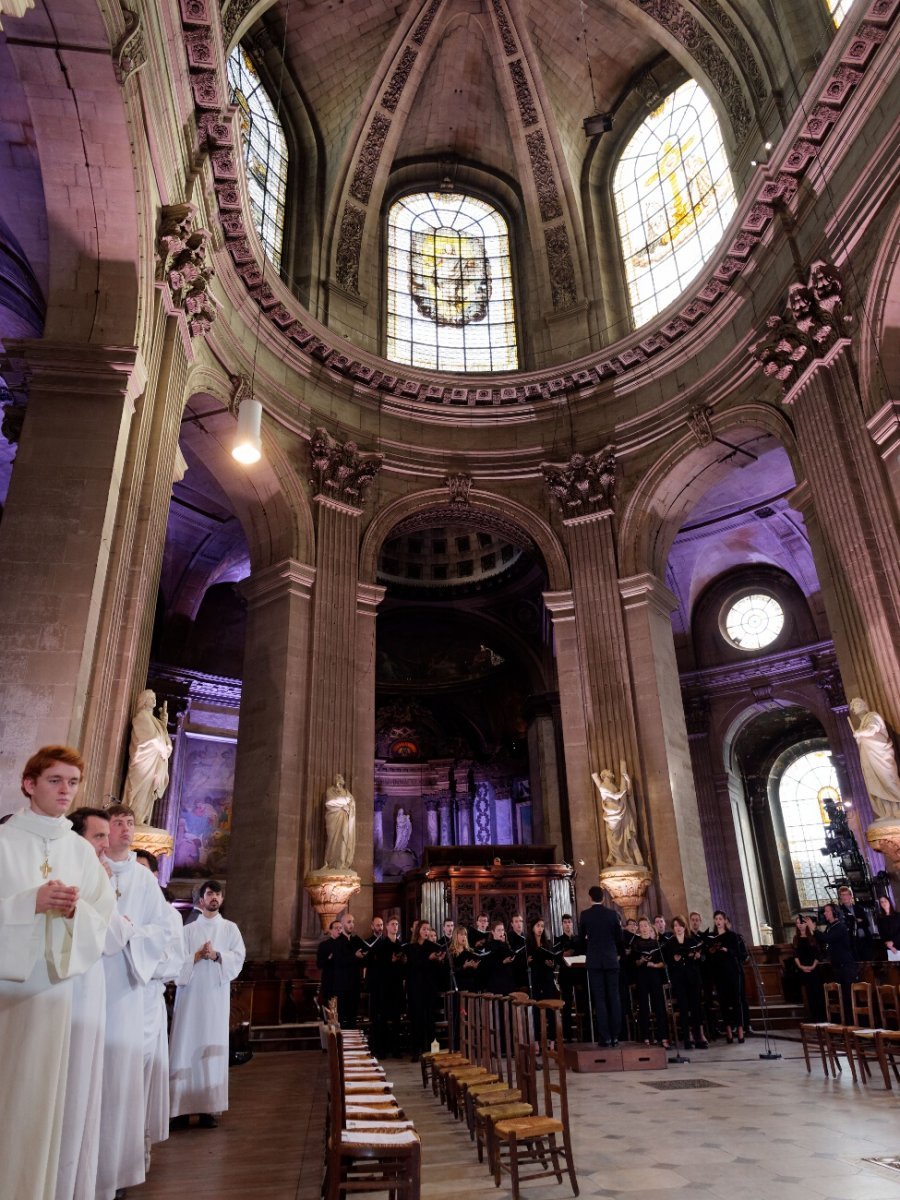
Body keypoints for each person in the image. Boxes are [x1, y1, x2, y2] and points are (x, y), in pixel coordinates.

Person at [0, 747, 114, 1200]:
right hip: (7, 987)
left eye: (72, 782)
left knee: (38, 1102)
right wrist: (29, 902)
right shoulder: (4, 841)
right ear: (29, 784)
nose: (65, 790)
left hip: (52, 989)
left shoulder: (78, 851)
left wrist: (73, 913)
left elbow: (102, 915)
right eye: (54, 781)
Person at [97, 803, 175, 1200]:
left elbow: (161, 932)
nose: (125, 830)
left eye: (130, 823)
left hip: (128, 985)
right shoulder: (91, 867)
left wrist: (126, 933)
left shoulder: (145, 882)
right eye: (118, 824)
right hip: (91, 982)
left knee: (122, 1077)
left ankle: (118, 1163)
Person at [169, 880, 246, 1128]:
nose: (214, 897)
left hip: (215, 996)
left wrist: (217, 955)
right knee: (185, 1043)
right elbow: (175, 961)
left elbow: (238, 957)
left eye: (218, 894)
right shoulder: (188, 930)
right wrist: (196, 956)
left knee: (211, 1046)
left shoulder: (230, 929)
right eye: (209, 893)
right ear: (201, 900)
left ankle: (208, 1109)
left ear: (222, 900)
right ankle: (180, 1108)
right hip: (190, 996)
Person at [135, 845, 185, 1161]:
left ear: (154, 876)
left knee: (137, 1082)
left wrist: (135, 962)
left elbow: (172, 963)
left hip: (146, 1002)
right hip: (109, 1002)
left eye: (143, 871)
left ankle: (135, 1149)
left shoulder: (168, 915)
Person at [578, 885, 623, 1047]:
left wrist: (588, 949)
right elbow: (619, 937)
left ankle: (605, 1036)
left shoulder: (585, 915)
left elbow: (580, 939)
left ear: (590, 898)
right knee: (614, 997)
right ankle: (616, 1035)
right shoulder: (612, 915)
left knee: (600, 999)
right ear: (603, 898)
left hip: (595, 961)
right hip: (611, 960)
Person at [122, 689, 173, 826]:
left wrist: (163, 724)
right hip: (144, 762)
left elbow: (160, 736)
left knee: (148, 793)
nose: (154, 701)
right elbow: (151, 738)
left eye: (155, 698)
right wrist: (163, 747)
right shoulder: (142, 716)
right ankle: (134, 819)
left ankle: (139, 818)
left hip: (153, 763)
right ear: (144, 701)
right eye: (151, 698)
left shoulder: (152, 719)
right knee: (139, 791)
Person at [848, 697, 900, 819]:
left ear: (865, 705)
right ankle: (888, 813)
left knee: (888, 781)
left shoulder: (872, 716)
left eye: (859, 703)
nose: (857, 706)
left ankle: (898, 809)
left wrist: (860, 733)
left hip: (881, 756)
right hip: (870, 758)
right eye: (854, 705)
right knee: (877, 785)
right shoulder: (861, 724)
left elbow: (873, 729)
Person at [663, 915, 707, 1048]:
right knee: (683, 1008)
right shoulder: (670, 944)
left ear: (684, 927)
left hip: (693, 978)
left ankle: (698, 1038)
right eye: (675, 926)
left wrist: (698, 956)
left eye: (680, 925)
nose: (678, 928)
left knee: (695, 1007)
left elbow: (701, 959)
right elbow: (666, 961)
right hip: (679, 979)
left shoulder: (691, 941)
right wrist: (674, 960)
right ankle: (687, 1039)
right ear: (673, 928)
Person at [591, 763, 644, 866]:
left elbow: (627, 793)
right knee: (615, 837)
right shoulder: (602, 786)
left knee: (624, 834)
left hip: (621, 811)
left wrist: (628, 780)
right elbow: (615, 796)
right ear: (604, 774)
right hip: (612, 814)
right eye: (609, 771)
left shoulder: (614, 785)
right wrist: (622, 793)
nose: (612, 772)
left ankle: (626, 857)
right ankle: (618, 859)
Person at [368, 917, 407, 1057]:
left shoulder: (400, 944)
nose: (395, 927)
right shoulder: (381, 944)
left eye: (397, 924)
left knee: (397, 1019)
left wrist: (402, 961)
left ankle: (396, 1050)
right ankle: (382, 1050)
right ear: (387, 927)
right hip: (384, 986)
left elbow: (404, 967)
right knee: (383, 1019)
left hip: (397, 985)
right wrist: (389, 961)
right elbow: (375, 966)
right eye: (392, 924)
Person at [405, 922, 444, 1059]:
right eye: (424, 929)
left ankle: (433, 1051)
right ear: (418, 931)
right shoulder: (410, 948)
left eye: (428, 929)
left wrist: (439, 960)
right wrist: (428, 959)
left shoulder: (434, 947)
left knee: (430, 1020)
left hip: (429, 987)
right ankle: (416, 1051)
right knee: (416, 1020)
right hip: (415, 987)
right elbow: (413, 966)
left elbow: (438, 971)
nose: (426, 931)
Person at [706, 910, 745, 1043]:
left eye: (720, 919)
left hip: (733, 972)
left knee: (736, 1001)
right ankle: (728, 1031)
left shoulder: (732, 936)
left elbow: (739, 954)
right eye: (716, 919)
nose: (718, 921)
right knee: (723, 1002)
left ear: (724, 920)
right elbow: (709, 958)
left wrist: (727, 950)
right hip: (719, 974)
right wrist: (711, 952)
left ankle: (740, 1030)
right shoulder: (712, 938)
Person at [817, 902, 859, 1019]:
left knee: (848, 998)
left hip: (846, 966)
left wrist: (813, 929)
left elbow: (828, 939)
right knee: (841, 998)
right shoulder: (830, 927)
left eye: (827, 911)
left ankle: (853, 1025)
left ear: (835, 912)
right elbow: (823, 940)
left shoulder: (840, 926)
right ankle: (845, 1025)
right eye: (824, 911)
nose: (825, 913)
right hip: (837, 966)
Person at [632, 916, 669, 1047]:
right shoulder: (636, 943)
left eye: (645, 925)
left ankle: (663, 1037)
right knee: (643, 1007)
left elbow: (663, 963)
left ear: (649, 927)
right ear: (639, 929)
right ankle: (646, 1037)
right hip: (642, 976)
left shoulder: (656, 943)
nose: (644, 928)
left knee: (659, 1005)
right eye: (641, 926)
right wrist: (641, 961)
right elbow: (634, 962)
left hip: (654, 976)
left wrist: (654, 965)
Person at [332, 911, 368, 1028]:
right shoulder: (337, 942)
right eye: (349, 922)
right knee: (341, 1018)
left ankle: (353, 1044)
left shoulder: (356, 940)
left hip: (355, 983)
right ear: (342, 925)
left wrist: (363, 956)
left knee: (353, 1017)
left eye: (353, 922)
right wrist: (354, 956)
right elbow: (338, 961)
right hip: (342, 985)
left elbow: (363, 959)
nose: (352, 924)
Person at [793, 914, 825, 1021]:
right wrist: (801, 966)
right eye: (797, 923)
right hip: (803, 969)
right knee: (809, 994)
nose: (800, 925)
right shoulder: (796, 938)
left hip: (814, 968)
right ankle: (812, 1016)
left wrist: (813, 966)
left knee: (817, 993)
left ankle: (821, 1017)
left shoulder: (812, 937)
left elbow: (818, 954)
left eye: (801, 923)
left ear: (806, 924)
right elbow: (795, 955)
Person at [556, 914, 583, 1042]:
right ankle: (567, 1035)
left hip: (578, 976)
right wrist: (563, 955)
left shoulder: (578, 939)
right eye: (565, 922)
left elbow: (583, 955)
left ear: (573, 924)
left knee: (581, 1005)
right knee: (566, 1007)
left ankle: (583, 1034)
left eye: (569, 922)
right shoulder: (558, 940)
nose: (567, 924)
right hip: (565, 975)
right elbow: (557, 957)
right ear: (562, 924)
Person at [322, 774, 356, 871]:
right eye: (337, 777)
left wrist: (348, 806)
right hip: (333, 819)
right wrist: (344, 803)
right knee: (332, 840)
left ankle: (341, 864)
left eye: (340, 777)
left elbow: (352, 803)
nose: (339, 779)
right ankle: (330, 863)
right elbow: (329, 803)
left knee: (343, 840)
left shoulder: (346, 792)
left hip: (344, 820)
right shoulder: (330, 791)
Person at [836, 885, 873, 962]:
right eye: (843, 895)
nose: (845, 897)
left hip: (865, 940)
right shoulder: (839, 911)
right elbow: (844, 926)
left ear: (850, 896)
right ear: (840, 897)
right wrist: (857, 921)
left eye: (847, 894)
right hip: (852, 942)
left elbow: (867, 923)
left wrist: (854, 922)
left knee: (868, 962)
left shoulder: (859, 908)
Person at [316, 920, 343, 1012]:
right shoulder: (324, 945)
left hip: (342, 980)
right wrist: (328, 958)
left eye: (340, 928)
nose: (339, 930)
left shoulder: (345, 944)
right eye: (336, 928)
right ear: (330, 930)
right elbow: (319, 964)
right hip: (329, 980)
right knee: (329, 1008)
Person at [507, 911, 529, 991]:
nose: (519, 924)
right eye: (516, 921)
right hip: (513, 974)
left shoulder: (527, 937)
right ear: (512, 924)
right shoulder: (507, 938)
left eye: (520, 921)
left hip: (525, 974)